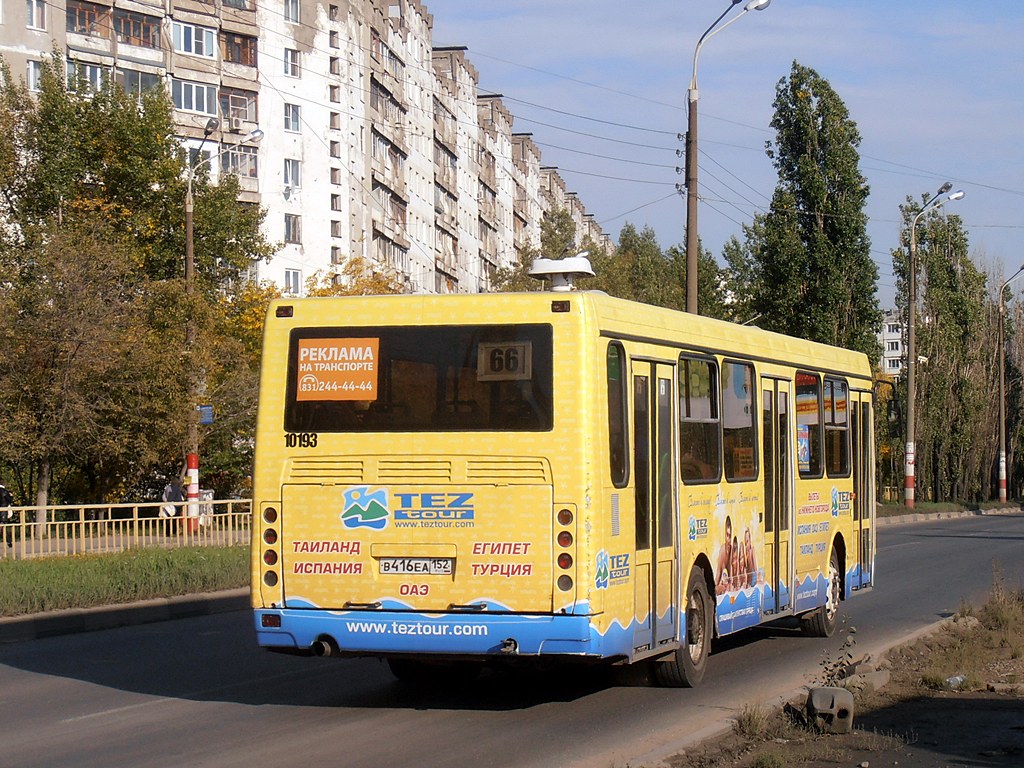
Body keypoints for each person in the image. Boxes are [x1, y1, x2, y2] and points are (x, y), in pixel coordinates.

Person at [0, 480, 15, 549]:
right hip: (3, 512)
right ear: (4, 484)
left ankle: (9, 542)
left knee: (2, 528)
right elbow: (10, 500)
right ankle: (9, 542)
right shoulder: (4, 492)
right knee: (3, 528)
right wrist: (11, 496)